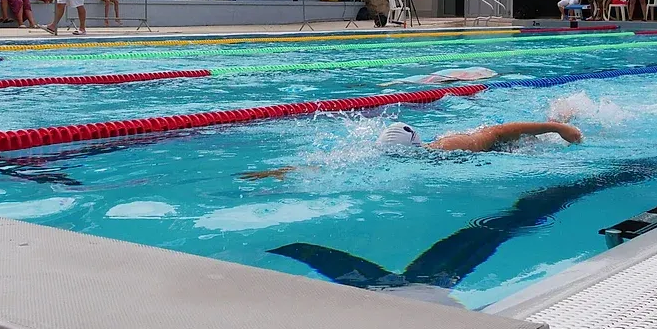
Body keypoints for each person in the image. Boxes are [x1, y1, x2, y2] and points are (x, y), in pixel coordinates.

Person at [238, 115, 583, 181]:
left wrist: (558, 128)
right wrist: (282, 172)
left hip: (509, 148)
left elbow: (499, 130)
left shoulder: (454, 146)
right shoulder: (383, 156)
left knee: (531, 140)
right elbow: (336, 166)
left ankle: (563, 114)